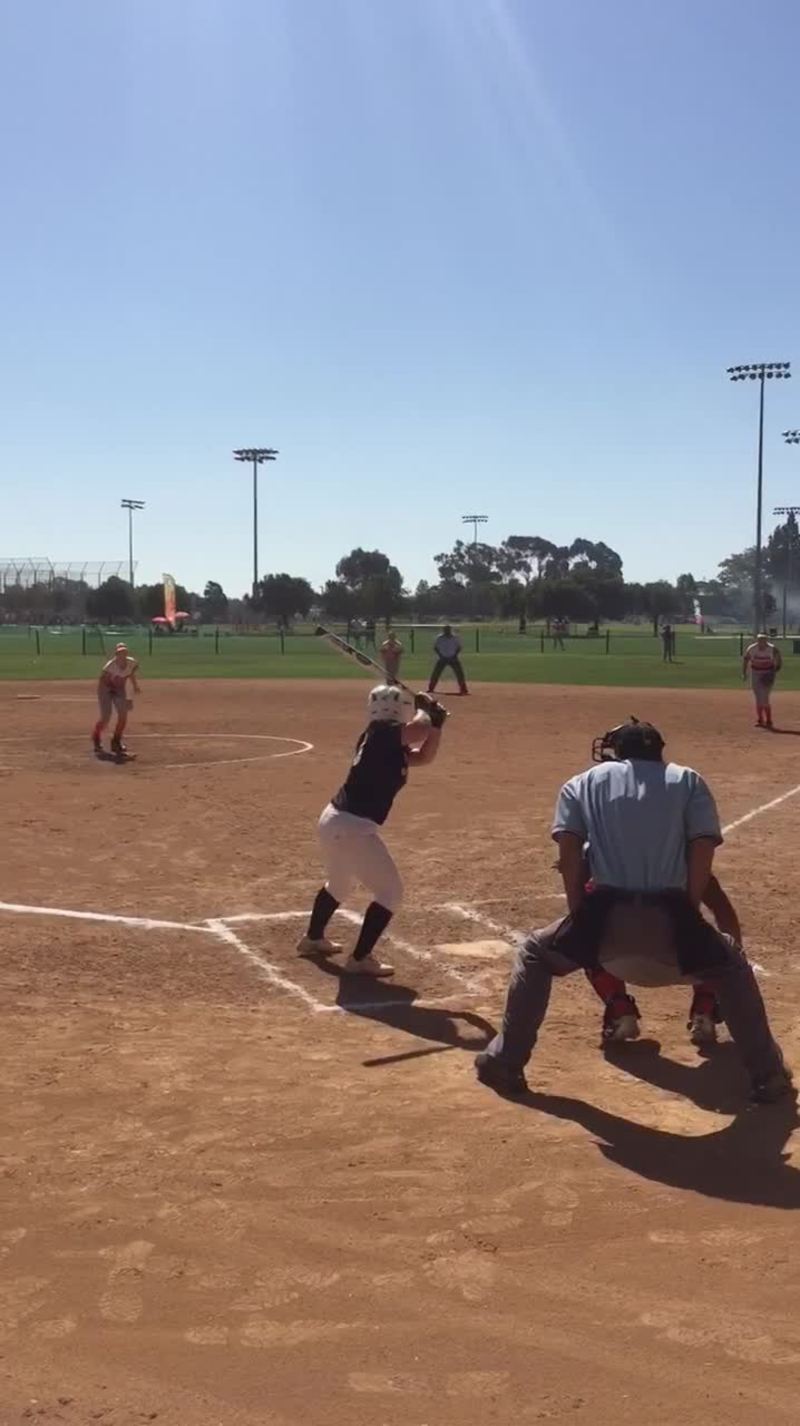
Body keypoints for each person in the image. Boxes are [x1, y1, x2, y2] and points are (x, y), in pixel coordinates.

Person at [475, 718, 791, 1104]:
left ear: (618, 751)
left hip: (606, 929)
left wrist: (579, 916)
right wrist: (687, 911)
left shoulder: (582, 782)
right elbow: (702, 853)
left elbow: (570, 855)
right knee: (733, 965)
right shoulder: (688, 779)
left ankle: (506, 1061)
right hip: (674, 933)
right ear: (658, 751)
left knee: (534, 953)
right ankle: (767, 1074)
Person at [297, 685, 446, 977]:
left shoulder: (384, 740)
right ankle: (360, 958)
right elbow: (417, 730)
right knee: (390, 892)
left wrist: (436, 724)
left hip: (337, 822)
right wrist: (427, 711)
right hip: (353, 827)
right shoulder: (381, 732)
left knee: (339, 885)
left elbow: (424, 755)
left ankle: (312, 939)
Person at [586, 872, 740, 1048]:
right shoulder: (689, 865)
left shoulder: (604, 867)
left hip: (617, 964)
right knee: (710, 938)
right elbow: (724, 913)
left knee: (589, 929)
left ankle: (619, 1009)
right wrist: (735, 967)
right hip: (685, 965)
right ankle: (704, 1008)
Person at [92, 642, 140, 758]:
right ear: (116, 654)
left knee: (123, 716)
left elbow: (130, 674)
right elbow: (104, 681)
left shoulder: (131, 663)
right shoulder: (110, 666)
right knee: (106, 717)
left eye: (124, 652)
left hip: (119, 689)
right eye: (119, 653)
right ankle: (96, 738)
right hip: (106, 689)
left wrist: (134, 688)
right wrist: (112, 693)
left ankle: (116, 741)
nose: (122, 654)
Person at [743, 632, 782, 729]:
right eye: (760, 640)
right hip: (755, 674)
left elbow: (779, 659)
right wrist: (744, 673)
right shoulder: (752, 648)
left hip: (767, 674)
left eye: (763, 640)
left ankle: (769, 720)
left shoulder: (772, 649)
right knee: (758, 697)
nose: (761, 642)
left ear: (766, 641)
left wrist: (775, 670)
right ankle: (760, 719)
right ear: (757, 640)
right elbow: (746, 659)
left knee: (764, 697)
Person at [428, 625, 469, 695]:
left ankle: (463, 689)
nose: (447, 631)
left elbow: (459, 647)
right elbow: (436, 647)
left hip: (453, 658)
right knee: (436, 673)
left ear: (450, 630)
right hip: (442, 658)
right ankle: (431, 688)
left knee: (459, 673)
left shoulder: (455, 638)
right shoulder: (439, 638)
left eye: (448, 630)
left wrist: (454, 655)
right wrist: (440, 655)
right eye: (445, 630)